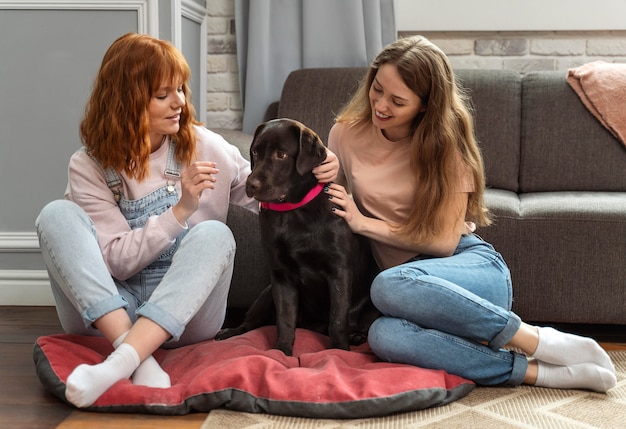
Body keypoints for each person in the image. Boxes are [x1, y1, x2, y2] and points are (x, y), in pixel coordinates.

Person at [35, 32, 338, 408]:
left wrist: (326, 165)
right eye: (163, 94)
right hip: (110, 314)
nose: (179, 102)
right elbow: (116, 261)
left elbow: (269, 194)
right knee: (56, 215)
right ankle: (135, 357)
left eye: (180, 88)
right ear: (126, 100)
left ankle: (121, 360)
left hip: (188, 317)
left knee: (215, 234)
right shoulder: (90, 165)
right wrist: (180, 210)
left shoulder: (206, 145)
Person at [325, 35, 616, 393]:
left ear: (424, 106)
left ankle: (537, 339)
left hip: (468, 274)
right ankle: (537, 372)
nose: (381, 105)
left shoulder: (447, 148)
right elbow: (330, 212)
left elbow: (445, 243)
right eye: (377, 89)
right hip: (410, 294)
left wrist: (364, 222)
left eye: (398, 101)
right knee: (384, 336)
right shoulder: (344, 135)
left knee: (386, 286)